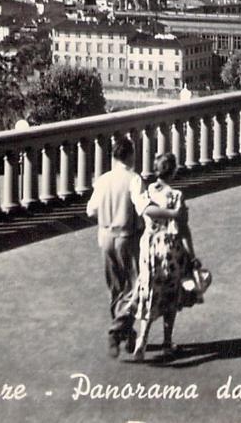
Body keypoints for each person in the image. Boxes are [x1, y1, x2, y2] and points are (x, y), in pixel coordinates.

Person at [85, 138, 182, 358]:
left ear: (113, 156)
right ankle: (116, 330)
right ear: (130, 155)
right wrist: (170, 213)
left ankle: (125, 334)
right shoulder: (133, 179)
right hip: (125, 238)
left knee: (116, 287)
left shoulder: (103, 179)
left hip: (104, 236)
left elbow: (91, 210)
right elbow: (143, 207)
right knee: (137, 287)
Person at [130, 153, 199, 362]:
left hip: (149, 245)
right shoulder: (177, 196)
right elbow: (184, 229)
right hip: (170, 246)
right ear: (174, 171)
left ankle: (142, 338)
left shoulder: (149, 191)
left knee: (149, 290)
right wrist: (192, 255)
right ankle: (167, 343)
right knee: (170, 292)